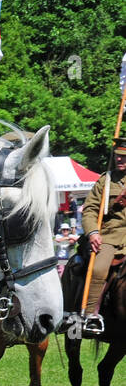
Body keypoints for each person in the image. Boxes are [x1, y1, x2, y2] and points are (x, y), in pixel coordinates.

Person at [73, 136, 126, 336]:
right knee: (99, 268)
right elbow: (89, 211)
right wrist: (93, 233)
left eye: (124, 157)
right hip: (110, 236)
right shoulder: (106, 180)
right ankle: (90, 315)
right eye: (118, 156)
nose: (120, 160)